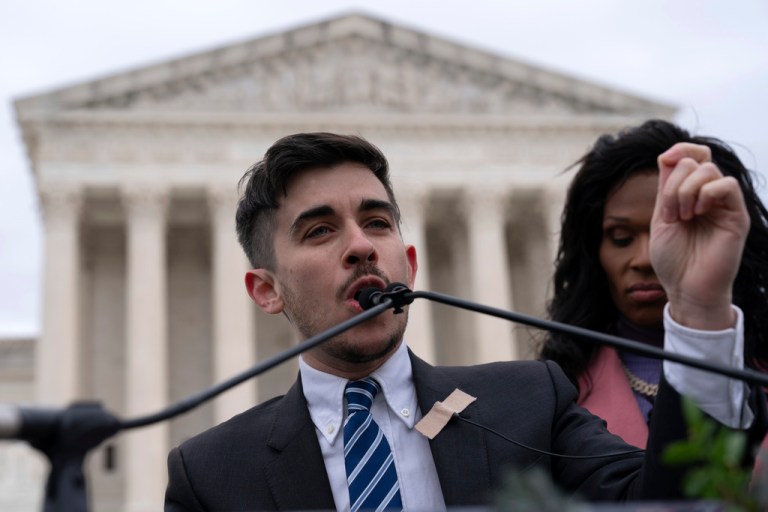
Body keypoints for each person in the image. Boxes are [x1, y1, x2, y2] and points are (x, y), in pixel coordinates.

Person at [165, 131, 763, 511]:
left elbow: (683, 502)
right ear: (266, 290)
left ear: (411, 264)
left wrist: (698, 306)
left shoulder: (530, 403)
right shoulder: (212, 475)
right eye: (320, 230)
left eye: (377, 223)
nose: (360, 246)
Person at [538, 119, 768, 448]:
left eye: (680, 231)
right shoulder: (557, 397)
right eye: (621, 238)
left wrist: (702, 306)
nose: (646, 259)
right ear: (592, 253)